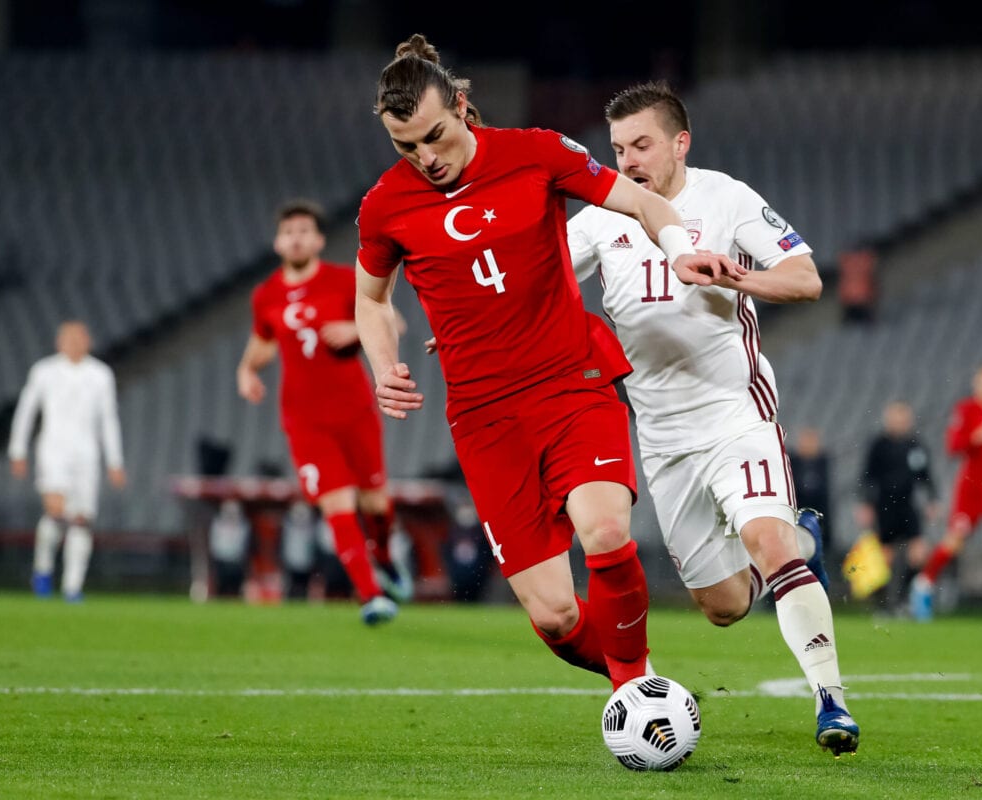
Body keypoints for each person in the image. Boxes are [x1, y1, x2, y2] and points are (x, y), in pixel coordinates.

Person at [354, 35, 746, 691]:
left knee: (605, 532)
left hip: (571, 383)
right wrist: (383, 362)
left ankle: (637, 693)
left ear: (461, 106)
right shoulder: (385, 206)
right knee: (556, 616)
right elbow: (369, 299)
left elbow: (645, 201)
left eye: (435, 136)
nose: (426, 158)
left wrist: (678, 251)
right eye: (406, 146)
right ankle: (643, 683)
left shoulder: (537, 153)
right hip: (483, 419)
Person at [566, 81, 859, 755]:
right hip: (662, 436)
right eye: (618, 148)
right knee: (723, 607)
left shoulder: (726, 198)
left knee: (767, 543)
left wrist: (735, 277)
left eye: (641, 145)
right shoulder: (603, 215)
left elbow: (807, 278)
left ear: (680, 143)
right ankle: (803, 543)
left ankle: (831, 700)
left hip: (735, 413)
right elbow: (541, 281)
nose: (628, 160)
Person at [237, 199, 409, 625]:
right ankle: (370, 596)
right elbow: (263, 341)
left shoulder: (344, 280)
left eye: (303, 231)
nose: (295, 238)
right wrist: (246, 370)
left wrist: (356, 328)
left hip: (353, 410)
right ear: (278, 243)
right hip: (304, 418)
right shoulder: (266, 295)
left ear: (317, 240)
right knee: (337, 503)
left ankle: (385, 558)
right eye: (288, 232)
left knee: (375, 502)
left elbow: (395, 321)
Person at [8, 320, 126, 602]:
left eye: (79, 337)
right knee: (56, 512)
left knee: (81, 519)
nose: (74, 343)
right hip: (53, 450)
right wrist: (17, 450)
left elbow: (108, 419)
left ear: (89, 341)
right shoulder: (44, 371)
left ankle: (73, 587)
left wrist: (115, 460)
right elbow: (27, 410)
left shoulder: (100, 374)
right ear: (59, 342)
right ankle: (43, 570)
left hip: (86, 454)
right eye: (69, 338)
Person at [911, 363, 982, 627]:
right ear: (977, 384)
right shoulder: (965, 409)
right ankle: (923, 584)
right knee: (955, 541)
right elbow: (953, 446)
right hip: (972, 486)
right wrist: (979, 435)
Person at [856, 400, 939, 614]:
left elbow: (926, 476)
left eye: (903, 418)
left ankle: (904, 598)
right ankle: (884, 604)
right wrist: (866, 504)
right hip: (885, 505)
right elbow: (867, 476)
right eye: (895, 418)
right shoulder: (879, 445)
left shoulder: (915, 445)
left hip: (908, 504)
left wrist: (932, 499)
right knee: (885, 556)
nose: (899, 422)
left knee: (918, 553)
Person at [788, 427, 834, 557]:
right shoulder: (793, 462)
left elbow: (825, 495)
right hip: (798, 513)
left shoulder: (822, 462)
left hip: (817, 514)